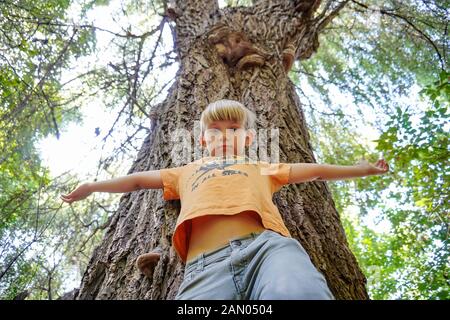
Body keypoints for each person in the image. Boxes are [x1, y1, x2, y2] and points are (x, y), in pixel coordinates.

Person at [60, 99, 389, 299]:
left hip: (267, 250)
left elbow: (314, 171)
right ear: (203, 139)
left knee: (299, 293)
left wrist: (360, 170)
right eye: (215, 130)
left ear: (246, 138)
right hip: (205, 268)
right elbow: (135, 182)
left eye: (233, 128)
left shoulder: (261, 166)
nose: (224, 134)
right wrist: (92, 185)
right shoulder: (185, 171)